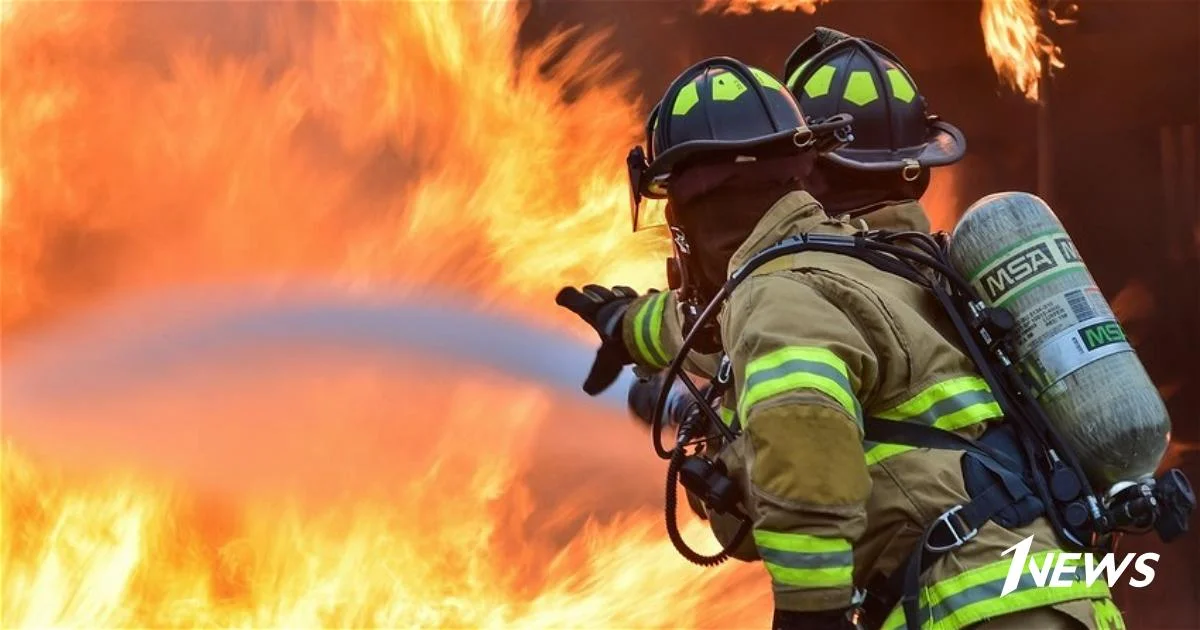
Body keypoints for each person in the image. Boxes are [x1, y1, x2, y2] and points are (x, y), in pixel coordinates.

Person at [556, 34, 1127, 630]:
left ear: (692, 215)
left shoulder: (780, 292)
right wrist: (627, 326)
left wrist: (810, 617)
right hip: (1064, 599)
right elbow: (709, 325)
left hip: (971, 609)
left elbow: (806, 462)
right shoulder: (890, 267)